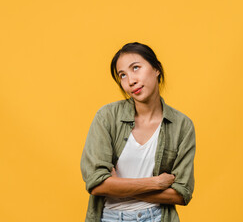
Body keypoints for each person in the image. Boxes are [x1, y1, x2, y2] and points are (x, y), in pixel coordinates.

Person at [80, 42, 196, 222]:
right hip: (110, 217)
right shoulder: (107, 117)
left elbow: (181, 194)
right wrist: (155, 183)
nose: (130, 81)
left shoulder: (181, 126)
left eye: (136, 68)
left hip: (157, 217)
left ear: (156, 69)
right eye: (123, 75)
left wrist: (118, 186)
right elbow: (96, 184)